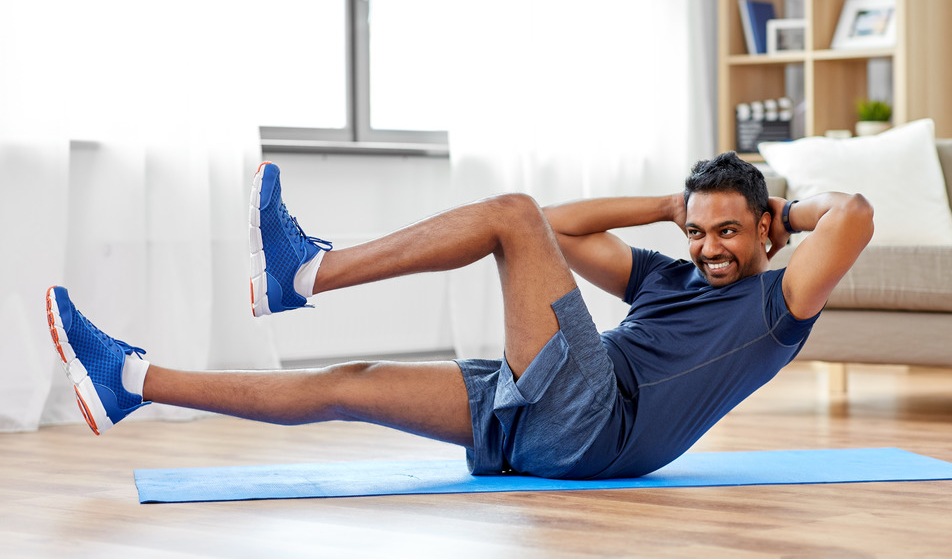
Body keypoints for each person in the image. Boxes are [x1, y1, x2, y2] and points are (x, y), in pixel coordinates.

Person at [46, 154, 874, 480]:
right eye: (697, 231)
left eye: (728, 230)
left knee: (505, 211)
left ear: (765, 227)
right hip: (546, 420)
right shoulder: (667, 276)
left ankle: (307, 271)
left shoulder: (777, 306)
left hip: (597, 419)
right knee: (349, 383)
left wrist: (784, 210)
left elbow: (857, 214)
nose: (709, 247)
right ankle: (130, 381)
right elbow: (558, 225)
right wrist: (667, 204)